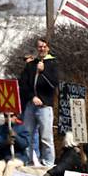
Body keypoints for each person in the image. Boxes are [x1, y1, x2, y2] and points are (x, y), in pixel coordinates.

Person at [19, 38, 59, 166]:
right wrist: (32, 97)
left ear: (48, 48)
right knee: (27, 135)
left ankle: (48, 162)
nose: (41, 49)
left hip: (45, 106)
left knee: (46, 137)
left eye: (44, 46)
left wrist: (43, 72)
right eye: (39, 47)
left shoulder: (53, 64)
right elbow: (23, 84)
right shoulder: (31, 65)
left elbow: (54, 84)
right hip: (31, 105)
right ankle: (30, 160)